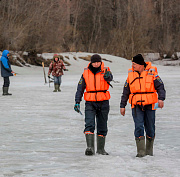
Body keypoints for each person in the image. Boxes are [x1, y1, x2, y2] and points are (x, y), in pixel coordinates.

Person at [120, 54, 166, 157]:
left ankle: (149, 151)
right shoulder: (130, 74)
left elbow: (160, 87)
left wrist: (161, 99)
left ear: (141, 64)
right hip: (136, 105)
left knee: (150, 128)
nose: (133, 66)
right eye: (132, 63)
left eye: (134, 64)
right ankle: (141, 152)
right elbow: (125, 91)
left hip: (150, 104)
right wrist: (122, 105)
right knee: (138, 126)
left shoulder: (152, 72)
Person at [74, 54, 113, 156]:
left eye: (98, 62)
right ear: (91, 62)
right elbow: (80, 88)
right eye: (94, 62)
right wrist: (77, 101)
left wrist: (108, 76)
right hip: (90, 103)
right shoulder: (85, 73)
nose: (96, 64)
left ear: (100, 62)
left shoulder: (105, 70)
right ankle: (90, 147)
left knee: (102, 126)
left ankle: (101, 149)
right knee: (89, 124)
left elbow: (110, 78)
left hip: (103, 102)